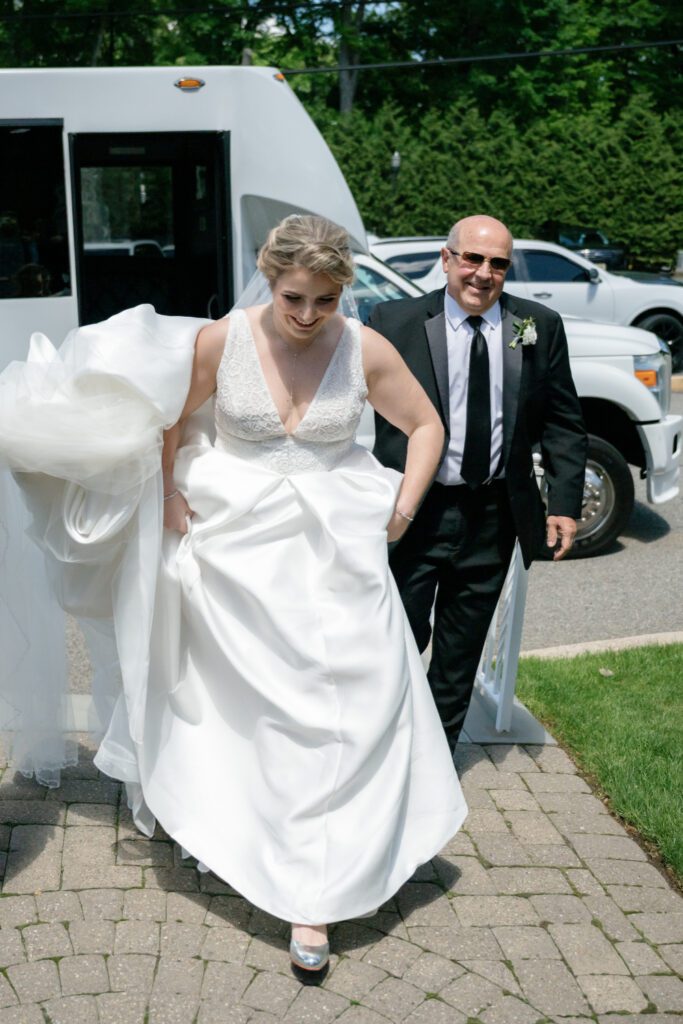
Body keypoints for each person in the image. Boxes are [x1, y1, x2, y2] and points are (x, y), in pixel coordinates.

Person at [0, 215, 467, 978]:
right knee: (233, 708)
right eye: (293, 297)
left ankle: (317, 885)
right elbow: (172, 418)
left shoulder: (366, 349)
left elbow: (423, 426)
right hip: (231, 546)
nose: (308, 315)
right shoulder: (223, 340)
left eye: (323, 299)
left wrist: (403, 508)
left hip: (334, 551)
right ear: (268, 276)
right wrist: (168, 500)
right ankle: (235, 834)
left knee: (344, 702)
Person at [370, 215, 587, 751]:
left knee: (459, 653)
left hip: (493, 516)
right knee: (395, 636)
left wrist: (563, 502)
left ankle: (435, 764)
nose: (483, 274)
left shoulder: (537, 325)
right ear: (446, 259)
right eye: (472, 258)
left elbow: (562, 420)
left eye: (497, 264)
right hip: (413, 511)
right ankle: (380, 748)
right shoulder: (392, 321)